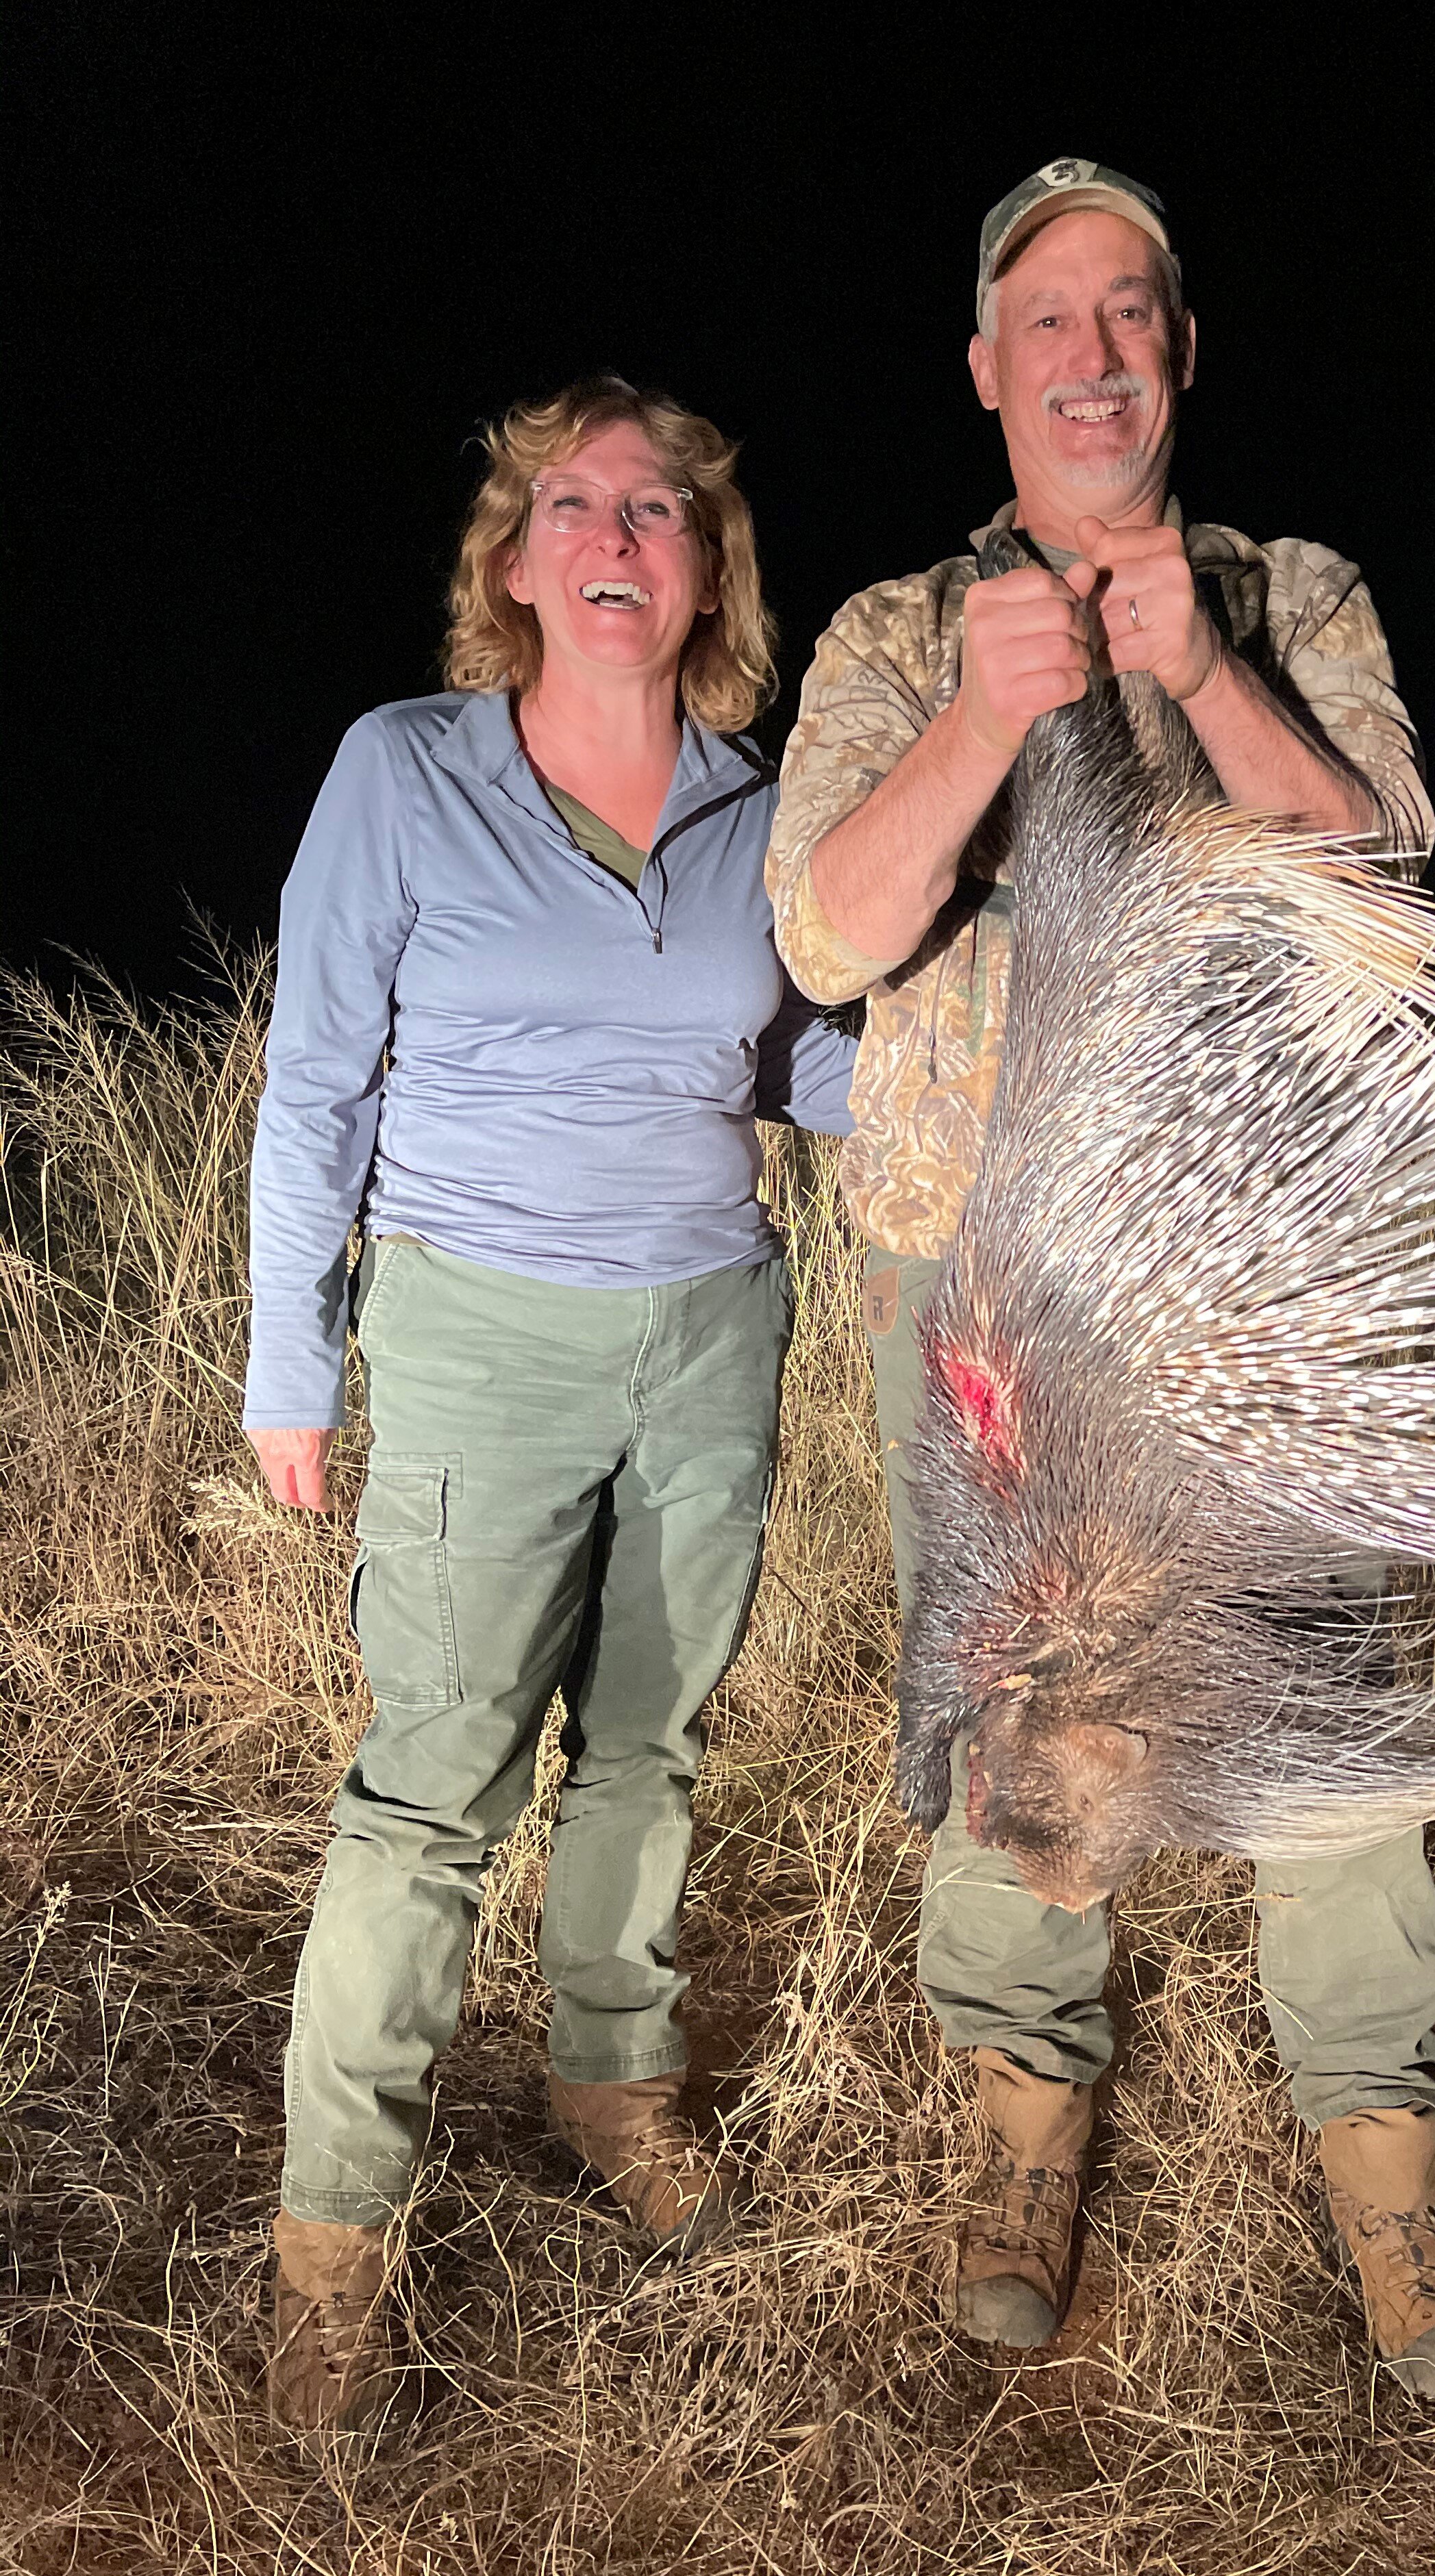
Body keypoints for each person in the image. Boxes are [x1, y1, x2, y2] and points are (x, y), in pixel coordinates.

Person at [769, 162, 1435, 2401]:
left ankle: (1383, 2156)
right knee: (1019, 1696)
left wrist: (1197, 670)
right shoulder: (900, 634)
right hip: (983, 1284)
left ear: (1178, 359)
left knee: (1316, 1695)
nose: (1090, 355)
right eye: (1046, 322)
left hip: (1248, 1276)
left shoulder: (1293, 595)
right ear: (989, 376)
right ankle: (1025, 2113)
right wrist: (987, 724)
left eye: (1131, 315)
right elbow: (823, 935)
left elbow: (1398, 900)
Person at [245, 376, 856, 2432]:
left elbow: (804, 1066)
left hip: (709, 1328)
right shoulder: (406, 772)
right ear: (512, 560)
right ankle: (334, 2235)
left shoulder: (761, 806)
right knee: (431, 1791)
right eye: (571, 502)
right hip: (473, 1332)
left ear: (709, 570)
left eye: (662, 507)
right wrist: (284, 1359)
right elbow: (319, 1074)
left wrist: (975, 1065)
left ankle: (613, 2084)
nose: (617, 533)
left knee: (652, 1753)